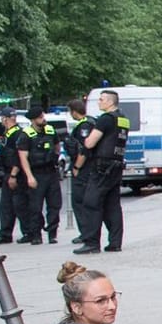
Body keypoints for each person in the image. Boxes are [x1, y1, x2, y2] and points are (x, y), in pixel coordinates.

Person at [72, 91, 130, 255]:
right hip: (116, 165)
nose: (99, 102)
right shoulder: (123, 119)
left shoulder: (105, 118)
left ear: (110, 102)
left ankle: (91, 243)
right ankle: (115, 242)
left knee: (91, 202)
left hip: (102, 166)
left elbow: (90, 143)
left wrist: (85, 141)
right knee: (112, 205)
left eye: (101, 99)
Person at [14, 108, 64, 245]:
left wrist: (55, 157)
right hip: (36, 173)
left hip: (51, 172)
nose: (43, 118)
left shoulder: (50, 130)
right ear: (33, 119)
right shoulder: (26, 135)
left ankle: (52, 233)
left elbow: (57, 146)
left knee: (55, 204)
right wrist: (29, 177)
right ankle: (36, 235)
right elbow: (23, 158)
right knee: (35, 207)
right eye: (40, 117)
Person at [0, 108, 23, 245]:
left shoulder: (16, 134)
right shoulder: (10, 133)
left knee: (13, 205)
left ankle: (25, 232)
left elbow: (17, 157)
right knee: (9, 205)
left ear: (5, 119)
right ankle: (6, 233)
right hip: (9, 172)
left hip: (13, 173)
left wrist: (13, 175)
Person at [65, 98, 90, 239]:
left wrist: (76, 167)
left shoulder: (83, 126)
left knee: (79, 201)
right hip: (86, 169)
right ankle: (86, 232)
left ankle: (85, 233)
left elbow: (83, 149)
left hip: (83, 170)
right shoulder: (87, 124)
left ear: (74, 112)